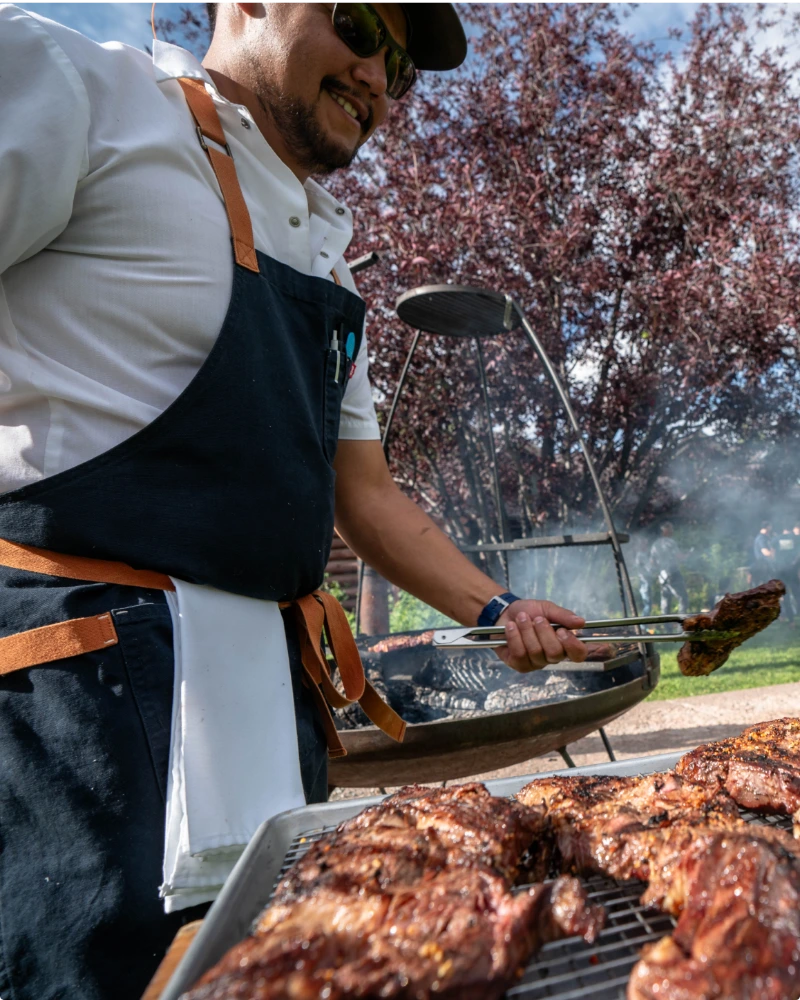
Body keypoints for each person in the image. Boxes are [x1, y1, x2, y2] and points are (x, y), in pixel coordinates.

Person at [0, 3, 591, 996]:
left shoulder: (328, 257)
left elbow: (366, 496)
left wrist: (496, 609)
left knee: (291, 968)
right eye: (359, 23)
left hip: (274, 709)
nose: (376, 73)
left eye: (399, 68)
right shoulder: (81, 88)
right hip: (85, 708)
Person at [650, 522, 690, 616]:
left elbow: (652, 562)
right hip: (673, 573)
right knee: (683, 598)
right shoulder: (670, 542)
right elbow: (679, 557)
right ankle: (682, 624)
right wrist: (686, 556)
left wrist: (658, 571)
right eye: (671, 529)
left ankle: (666, 627)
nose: (673, 531)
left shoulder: (655, 545)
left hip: (662, 576)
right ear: (665, 531)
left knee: (666, 601)